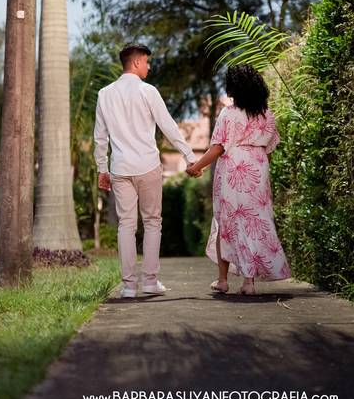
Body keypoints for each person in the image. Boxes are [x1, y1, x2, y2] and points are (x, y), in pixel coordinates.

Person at [94, 43, 198, 298]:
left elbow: (100, 137)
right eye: (147, 62)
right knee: (152, 222)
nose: (149, 67)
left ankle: (129, 286)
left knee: (126, 225)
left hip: (120, 168)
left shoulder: (104, 94)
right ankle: (150, 282)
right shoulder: (148, 91)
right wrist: (189, 156)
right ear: (137, 62)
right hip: (147, 166)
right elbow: (168, 126)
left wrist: (102, 169)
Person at [186, 64, 291, 295]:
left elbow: (217, 148)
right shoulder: (267, 114)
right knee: (254, 223)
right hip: (258, 171)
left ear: (234, 88)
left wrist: (195, 167)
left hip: (233, 172)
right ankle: (248, 282)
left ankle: (222, 281)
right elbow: (269, 150)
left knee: (226, 224)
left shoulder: (229, 113)